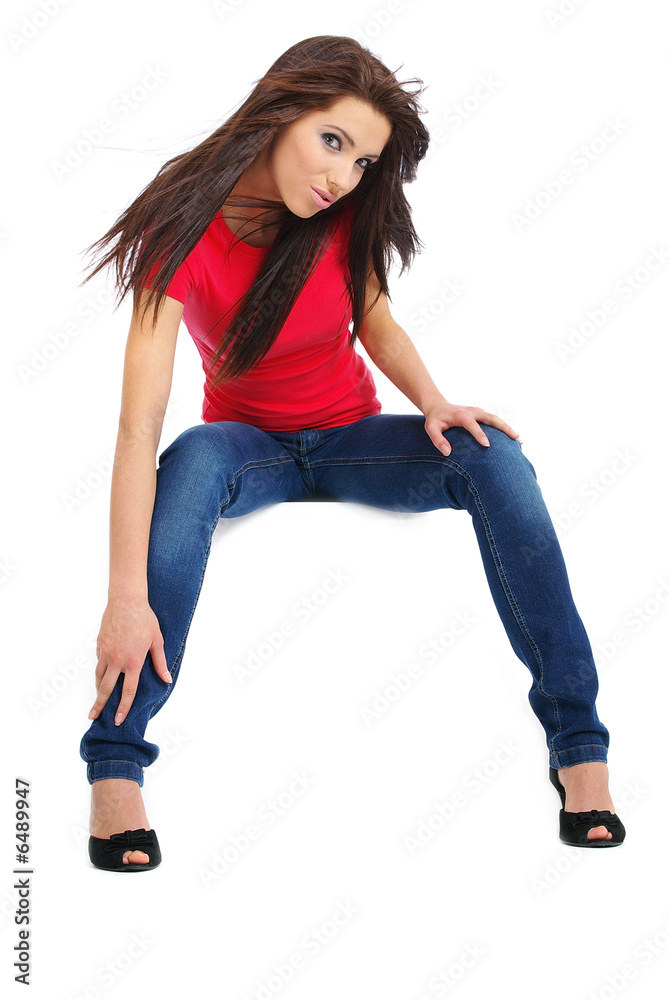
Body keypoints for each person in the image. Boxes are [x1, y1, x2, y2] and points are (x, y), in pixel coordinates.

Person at [78, 35, 625, 871]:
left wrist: (434, 403)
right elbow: (136, 427)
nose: (341, 176)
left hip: (351, 440)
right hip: (248, 447)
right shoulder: (180, 222)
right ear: (279, 111)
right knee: (188, 462)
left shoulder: (340, 218)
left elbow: (377, 323)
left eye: (363, 161)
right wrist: (124, 597)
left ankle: (578, 745)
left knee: (494, 455)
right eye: (331, 142)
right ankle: (116, 766)